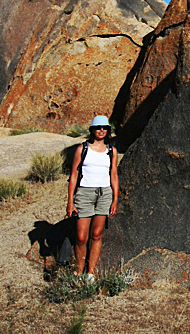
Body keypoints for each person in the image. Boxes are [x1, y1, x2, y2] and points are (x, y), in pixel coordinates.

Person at [66, 115, 119, 280]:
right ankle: (79, 271)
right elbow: (74, 175)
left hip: (104, 194)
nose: (101, 130)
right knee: (81, 236)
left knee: (97, 234)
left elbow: (114, 175)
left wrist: (115, 199)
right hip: (84, 193)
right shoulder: (82, 149)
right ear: (92, 130)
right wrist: (70, 201)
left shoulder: (112, 151)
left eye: (104, 128)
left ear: (108, 130)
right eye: (98, 127)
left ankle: (90, 273)